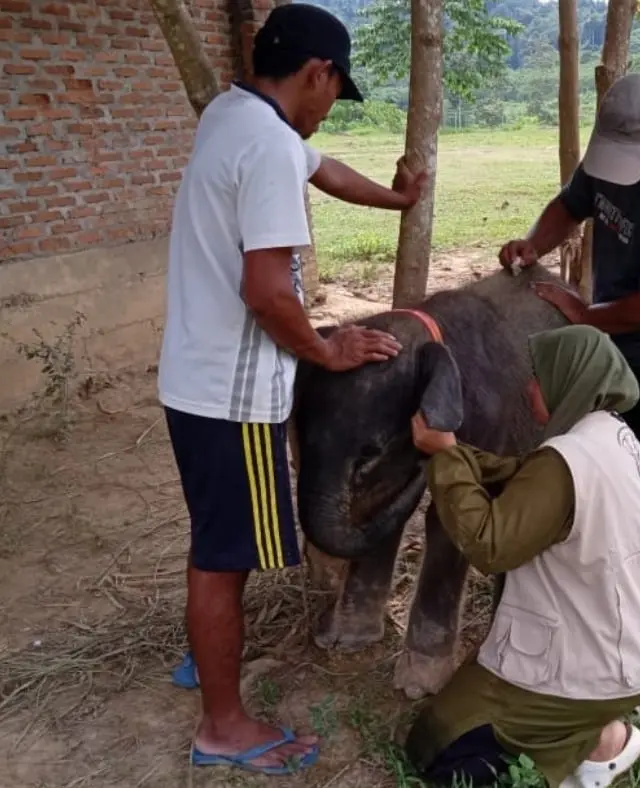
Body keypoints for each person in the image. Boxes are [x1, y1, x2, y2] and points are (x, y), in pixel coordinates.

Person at [157, 4, 427, 775]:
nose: (325, 113)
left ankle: (201, 661)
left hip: (195, 378)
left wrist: (397, 201)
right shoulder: (269, 146)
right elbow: (269, 292)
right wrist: (327, 348)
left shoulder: (232, 116)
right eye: (331, 95)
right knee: (222, 554)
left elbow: (323, 167)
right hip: (233, 395)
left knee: (216, 537)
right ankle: (223, 723)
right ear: (318, 73)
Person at [498, 73, 640, 633]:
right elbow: (570, 204)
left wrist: (583, 315)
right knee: (624, 460)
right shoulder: (607, 160)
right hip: (618, 339)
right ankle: (630, 560)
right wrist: (534, 243)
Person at [404, 324, 640, 788]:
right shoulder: (611, 434)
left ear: (570, 377)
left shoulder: (562, 463)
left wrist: (446, 459)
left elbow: (489, 545)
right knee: (464, 710)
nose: (531, 387)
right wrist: (456, 453)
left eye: (539, 375)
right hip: (634, 643)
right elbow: (525, 479)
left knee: (437, 748)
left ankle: (600, 739)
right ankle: (619, 702)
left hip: (588, 668)